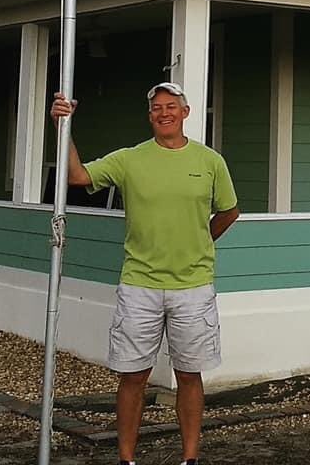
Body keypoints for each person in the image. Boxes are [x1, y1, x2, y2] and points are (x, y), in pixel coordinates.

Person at [51, 81, 240, 465]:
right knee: (132, 376)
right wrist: (62, 125)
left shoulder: (210, 161)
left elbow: (229, 211)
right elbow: (77, 176)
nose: (164, 113)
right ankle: (127, 458)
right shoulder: (130, 159)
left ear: (186, 113)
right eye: (156, 108)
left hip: (193, 287)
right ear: (150, 116)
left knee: (189, 375)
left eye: (171, 106)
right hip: (139, 286)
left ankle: (190, 458)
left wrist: (200, 241)